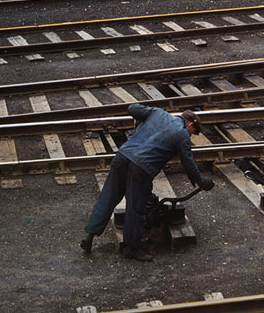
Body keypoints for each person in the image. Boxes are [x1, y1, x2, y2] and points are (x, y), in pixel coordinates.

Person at [80, 105, 213, 261]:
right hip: (141, 168)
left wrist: (141, 123)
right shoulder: (182, 134)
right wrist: (201, 181)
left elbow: (132, 109)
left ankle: (89, 235)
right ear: (191, 124)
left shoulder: (158, 113)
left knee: (108, 197)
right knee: (136, 208)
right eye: (194, 132)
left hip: (123, 156)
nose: (191, 136)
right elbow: (189, 164)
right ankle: (132, 248)